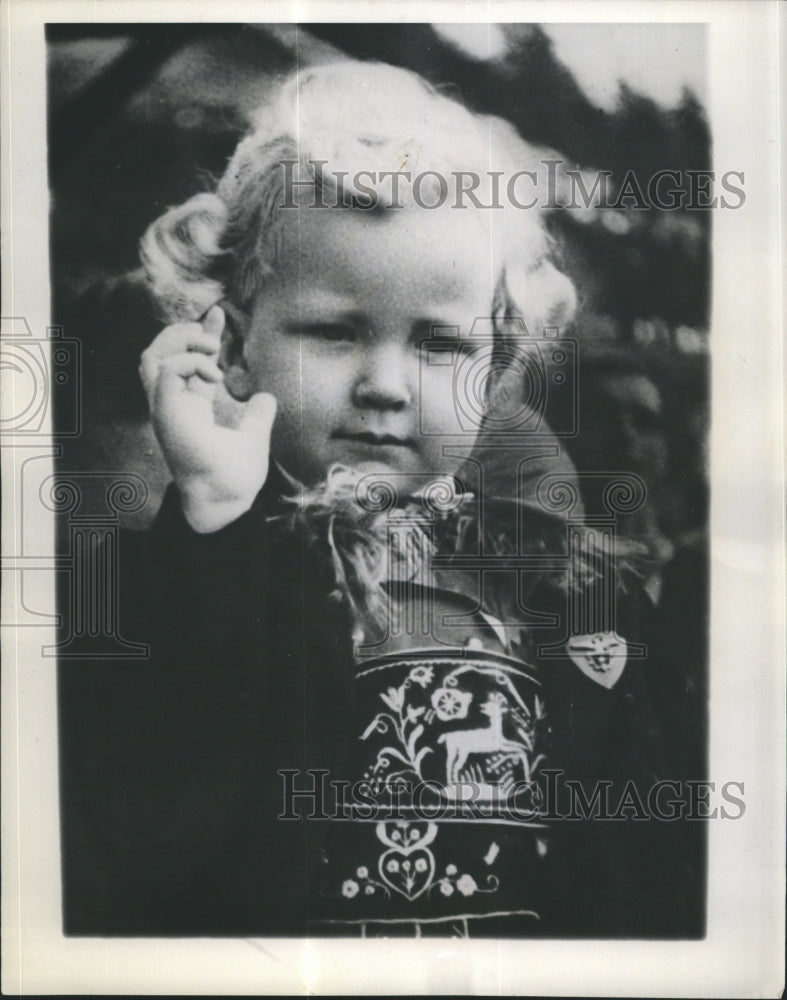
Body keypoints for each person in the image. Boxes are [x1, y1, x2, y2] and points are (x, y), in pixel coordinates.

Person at [58, 61, 701, 938]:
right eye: (334, 330)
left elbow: (647, 882)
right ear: (234, 340)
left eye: (440, 343)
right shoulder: (170, 580)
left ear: (498, 365)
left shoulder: (564, 590)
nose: (385, 385)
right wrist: (213, 523)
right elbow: (144, 849)